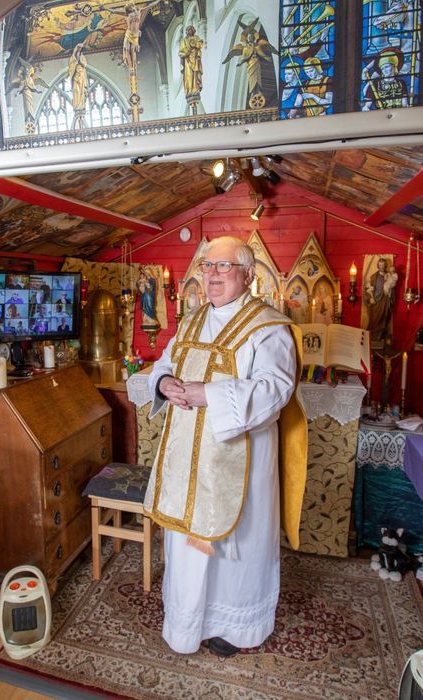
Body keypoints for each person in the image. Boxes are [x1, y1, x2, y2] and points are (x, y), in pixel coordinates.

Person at [144, 236, 303, 658]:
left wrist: (207, 395)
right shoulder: (192, 321)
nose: (211, 275)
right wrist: (163, 382)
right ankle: (186, 623)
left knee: (238, 547)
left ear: (248, 275)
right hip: (188, 460)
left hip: (240, 460)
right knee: (187, 548)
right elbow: (165, 363)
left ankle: (235, 627)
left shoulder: (268, 327)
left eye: (223, 267)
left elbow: (275, 388)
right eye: (206, 267)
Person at [364, 256, 398, 348]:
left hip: (385, 300)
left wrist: (390, 294)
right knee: (374, 319)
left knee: (384, 318)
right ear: (378, 266)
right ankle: (373, 337)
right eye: (380, 265)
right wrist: (370, 297)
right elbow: (368, 288)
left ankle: (379, 337)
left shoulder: (389, 275)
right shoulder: (374, 277)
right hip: (375, 301)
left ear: (385, 266)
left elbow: (392, 288)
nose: (381, 267)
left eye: (383, 265)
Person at [179, 25, 204, 115]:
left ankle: (195, 89)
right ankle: (190, 90)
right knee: (189, 78)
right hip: (187, 63)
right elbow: (180, 52)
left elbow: (200, 44)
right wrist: (186, 52)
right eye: (188, 30)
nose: (190, 31)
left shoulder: (196, 38)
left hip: (196, 61)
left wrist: (196, 46)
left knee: (195, 77)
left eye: (191, 30)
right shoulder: (183, 40)